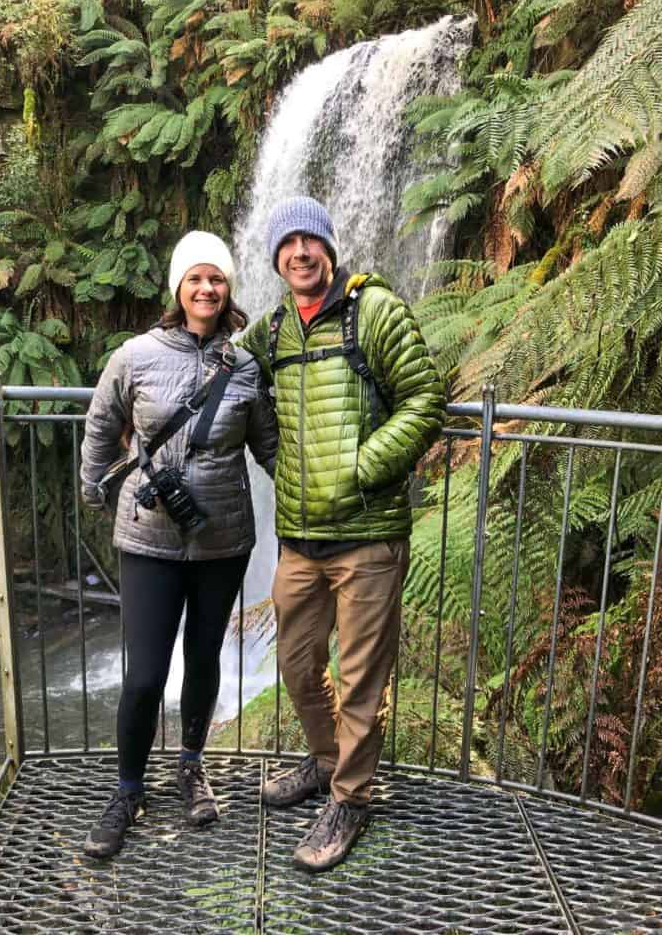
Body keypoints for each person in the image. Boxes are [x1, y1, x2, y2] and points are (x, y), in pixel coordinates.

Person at [241, 196, 444, 872]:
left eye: (311, 239)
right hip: (300, 538)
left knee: (359, 679)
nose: (300, 251)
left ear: (329, 247)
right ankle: (327, 763)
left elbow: (426, 400)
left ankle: (350, 799)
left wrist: (365, 466)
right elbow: (223, 376)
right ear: (275, 258)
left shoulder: (374, 311)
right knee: (299, 667)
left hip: (367, 538)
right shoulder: (271, 333)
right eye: (287, 243)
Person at [80, 230, 277, 859]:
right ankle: (128, 789)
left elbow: (269, 447)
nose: (207, 288)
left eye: (216, 279)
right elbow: (102, 422)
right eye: (195, 278)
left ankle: (191, 767)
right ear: (177, 288)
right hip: (149, 541)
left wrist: (316, 498)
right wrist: (92, 485)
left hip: (223, 541)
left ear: (228, 291)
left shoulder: (245, 367)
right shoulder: (135, 356)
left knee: (204, 660)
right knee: (143, 676)